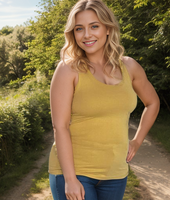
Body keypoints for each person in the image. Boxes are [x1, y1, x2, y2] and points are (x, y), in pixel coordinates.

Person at [48, 0, 160, 199]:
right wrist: (70, 179)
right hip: (75, 172)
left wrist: (136, 141)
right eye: (79, 29)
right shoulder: (68, 69)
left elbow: (152, 103)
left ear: (108, 29)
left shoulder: (130, 67)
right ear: (73, 33)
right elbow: (60, 126)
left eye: (94, 26)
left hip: (116, 173)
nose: (87, 35)